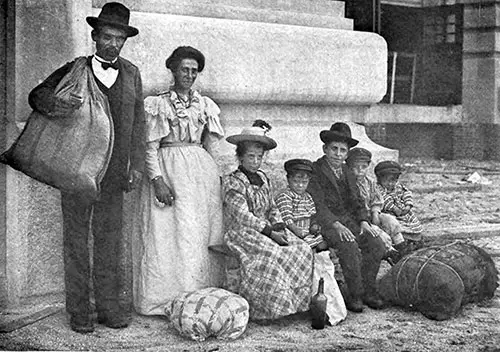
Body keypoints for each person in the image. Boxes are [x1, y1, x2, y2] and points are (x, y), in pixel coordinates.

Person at [28, 2, 145, 333]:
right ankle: (79, 312)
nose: (112, 44)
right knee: (76, 242)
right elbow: (37, 96)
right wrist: (56, 103)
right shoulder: (76, 68)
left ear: (124, 41)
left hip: (113, 174)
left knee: (109, 242)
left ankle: (108, 309)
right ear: (95, 37)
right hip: (77, 170)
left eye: (118, 38)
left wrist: (135, 164)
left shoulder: (132, 73)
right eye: (107, 36)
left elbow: (139, 125)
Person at [134, 46, 225, 315]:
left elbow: (212, 145)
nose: (189, 75)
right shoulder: (158, 103)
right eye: (184, 69)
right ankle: (166, 299)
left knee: (195, 233)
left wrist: (217, 178)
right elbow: (150, 147)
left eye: (194, 71)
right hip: (169, 166)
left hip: (199, 174)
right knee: (168, 234)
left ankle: (198, 296)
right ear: (173, 70)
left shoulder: (205, 104)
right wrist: (157, 179)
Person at [223, 121, 313, 321]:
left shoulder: (264, 178)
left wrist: (279, 226)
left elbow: (272, 207)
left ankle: (296, 304)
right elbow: (242, 215)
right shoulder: (233, 181)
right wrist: (270, 232)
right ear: (240, 156)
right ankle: (268, 310)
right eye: (250, 156)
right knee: (272, 253)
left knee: (302, 248)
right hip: (243, 231)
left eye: (259, 157)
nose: (255, 161)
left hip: (268, 227)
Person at [307, 122, 386, 313]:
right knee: (348, 245)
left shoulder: (347, 172)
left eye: (343, 150)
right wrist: (336, 225)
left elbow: (357, 201)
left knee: (376, 243)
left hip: (349, 221)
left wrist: (364, 222)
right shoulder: (315, 171)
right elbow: (318, 204)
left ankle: (369, 290)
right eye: (334, 149)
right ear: (325, 149)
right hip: (326, 223)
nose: (338, 154)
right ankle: (355, 294)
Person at [345, 148, 407, 261]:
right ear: (349, 167)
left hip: (371, 213)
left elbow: (376, 200)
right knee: (378, 233)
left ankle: (402, 247)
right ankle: (391, 253)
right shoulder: (348, 183)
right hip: (357, 219)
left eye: (363, 167)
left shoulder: (370, 182)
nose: (360, 171)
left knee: (391, 221)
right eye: (355, 167)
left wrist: (375, 213)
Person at [275, 159, 328, 250]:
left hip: (306, 232)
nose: (300, 185)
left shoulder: (307, 197)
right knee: (308, 247)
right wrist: (296, 230)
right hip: (291, 232)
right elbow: (286, 218)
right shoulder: (285, 196)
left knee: (324, 244)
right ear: (288, 179)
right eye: (296, 181)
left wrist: (314, 225)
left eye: (304, 182)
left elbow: (312, 215)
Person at [374, 160, 423, 247]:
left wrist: (408, 205)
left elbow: (406, 193)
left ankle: (414, 240)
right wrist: (393, 208)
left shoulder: (398, 186)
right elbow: (383, 199)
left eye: (393, 181)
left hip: (402, 212)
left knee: (411, 222)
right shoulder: (378, 188)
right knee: (394, 225)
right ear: (379, 179)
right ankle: (400, 243)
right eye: (386, 181)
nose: (390, 184)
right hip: (388, 212)